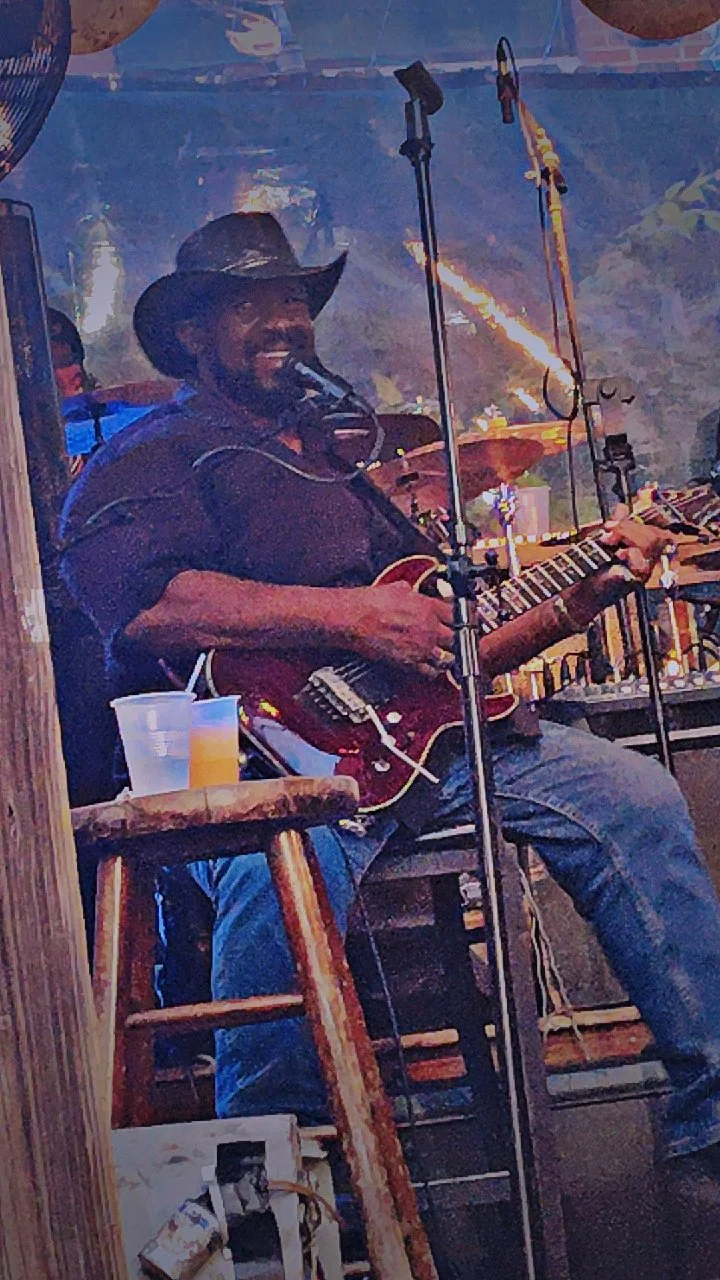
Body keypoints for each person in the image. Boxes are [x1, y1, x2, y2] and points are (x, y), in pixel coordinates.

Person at [60, 213, 720, 1199]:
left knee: (633, 794)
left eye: (295, 300)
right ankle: (265, 1205)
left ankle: (709, 1117)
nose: (284, 318)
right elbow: (145, 602)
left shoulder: (333, 458)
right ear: (195, 330)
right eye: (254, 302)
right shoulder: (157, 452)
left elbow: (440, 652)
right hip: (254, 767)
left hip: (411, 755)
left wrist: (581, 595)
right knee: (274, 890)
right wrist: (354, 618)